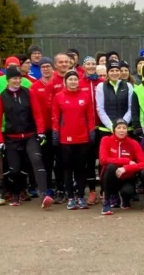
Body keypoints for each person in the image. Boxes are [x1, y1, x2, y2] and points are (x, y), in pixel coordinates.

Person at [0, 67, 53, 208]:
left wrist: (41, 131)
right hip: (12, 137)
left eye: (19, 78)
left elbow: (37, 113)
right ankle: (16, 195)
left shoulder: (28, 92)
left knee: (37, 160)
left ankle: (45, 194)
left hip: (30, 135)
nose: (17, 81)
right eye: (14, 78)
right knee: (14, 169)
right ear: (8, 80)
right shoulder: (2, 97)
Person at [52, 70, 96, 210]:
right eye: (70, 79)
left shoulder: (85, 96)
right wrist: (55, 133)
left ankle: (81, 197)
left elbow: (90, 116)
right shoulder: (59, 96)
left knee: (80, 170)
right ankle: (70, 197)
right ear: (65, 82)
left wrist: (91, 132)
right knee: (67, 169)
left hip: (82, 139)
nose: (73, 82)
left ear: (78, 81)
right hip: (66, 140)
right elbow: (55, 117)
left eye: (75, 79)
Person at [95, 61, 132, 205]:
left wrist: (122, 124)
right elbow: (100, 108)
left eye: (117, 70)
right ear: (108, 73)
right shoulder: (100, 87)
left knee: (124, 158)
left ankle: (125, 190)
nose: (115, 73)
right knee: (106, 163)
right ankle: (107, 192)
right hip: (107, 130)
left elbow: (130, 107)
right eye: (112, 71)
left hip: (124, 129)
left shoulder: (128, 86)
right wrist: (113, 126)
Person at [99, 119, 144, 214]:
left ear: (127, 130)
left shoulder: (133, 143)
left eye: (124, 128)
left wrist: (126, 168)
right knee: (111, 167)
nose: (121, 130)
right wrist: (127, 161)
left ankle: (124, 198)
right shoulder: (106, 140)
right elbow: (103, 160)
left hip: (127, 177)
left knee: (128, 191)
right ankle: (107, 202)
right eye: (118, 128)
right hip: (111, 177)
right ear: (114, 130)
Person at [31, 57, 63, 202]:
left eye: (48, 66)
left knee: (61, 160)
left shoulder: (60, 82)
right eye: (43, 66)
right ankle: (48, 187)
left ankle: (62, 188)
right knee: (47, 160)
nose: (45, 68)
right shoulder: (35, 86)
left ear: (52, 67)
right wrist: (40, 130)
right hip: (45, 129)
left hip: (60, 128)